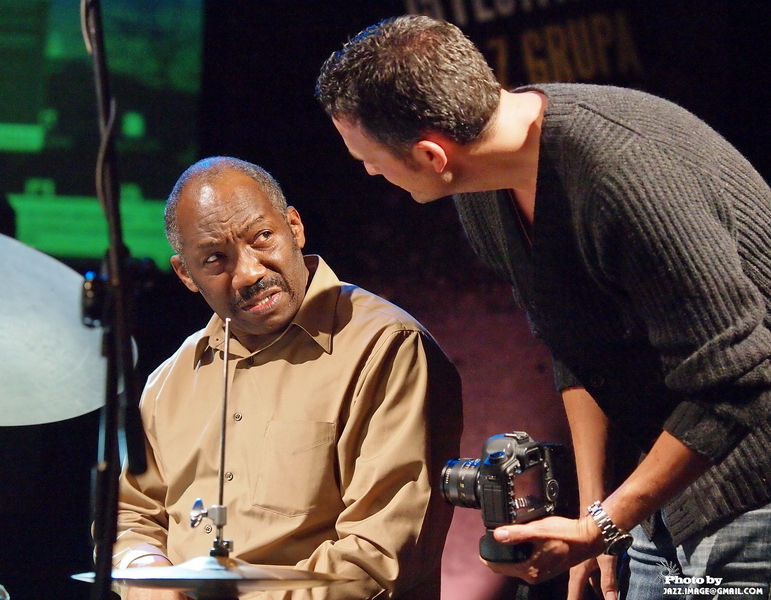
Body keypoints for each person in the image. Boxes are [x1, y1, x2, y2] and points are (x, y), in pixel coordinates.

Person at [315, 14, 771, 600]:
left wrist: (600, 526)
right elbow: (578, 348)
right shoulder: (484, 189)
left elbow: (736, 382)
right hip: (671, 488)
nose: (370, 171)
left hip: (752, 487)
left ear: (432, 155)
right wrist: (596, 510)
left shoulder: (621, 177)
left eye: (366, 158)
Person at [112, 156, 463, 600]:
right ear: (185, 274)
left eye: (262, 238)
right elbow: (131, 515)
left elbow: (380, 553)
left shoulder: (387, 348)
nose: (249, 273)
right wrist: (147, 572)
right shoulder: (169, 382)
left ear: (294, 227)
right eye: (216, 259)